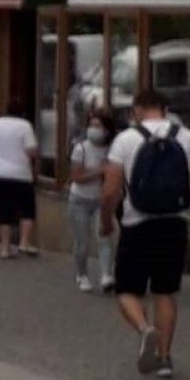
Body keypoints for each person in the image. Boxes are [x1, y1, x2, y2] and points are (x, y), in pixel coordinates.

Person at [102, 91, 190, 378]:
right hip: (174, 222)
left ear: (136, 110)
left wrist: (106, 221)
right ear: (165, 109)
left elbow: (110, 190)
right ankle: (164, 359)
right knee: (165, 291)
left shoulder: (125, 139)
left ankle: (145, 329)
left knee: (126, 290)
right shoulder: (188, 138)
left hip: (137, 223)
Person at [0, 99, 42, 259]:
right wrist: (35, 164)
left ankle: (4, 248)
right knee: (27, 208)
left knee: (3, 209)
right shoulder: (25, 126)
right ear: (22, 112)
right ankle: (24, 242)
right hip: (21, 173)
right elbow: (31, 149)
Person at [69, 110, 118, 293]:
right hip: (79, 200)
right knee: (82, 241)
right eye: (92, 125)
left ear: (107, 130)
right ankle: (82, 274)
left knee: (104, 236)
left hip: (101, 200)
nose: (94, 129)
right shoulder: (80, 148)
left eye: (98, 126)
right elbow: (77, 176)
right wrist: (100, 171)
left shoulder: (112, 150)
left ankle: (106, 275)